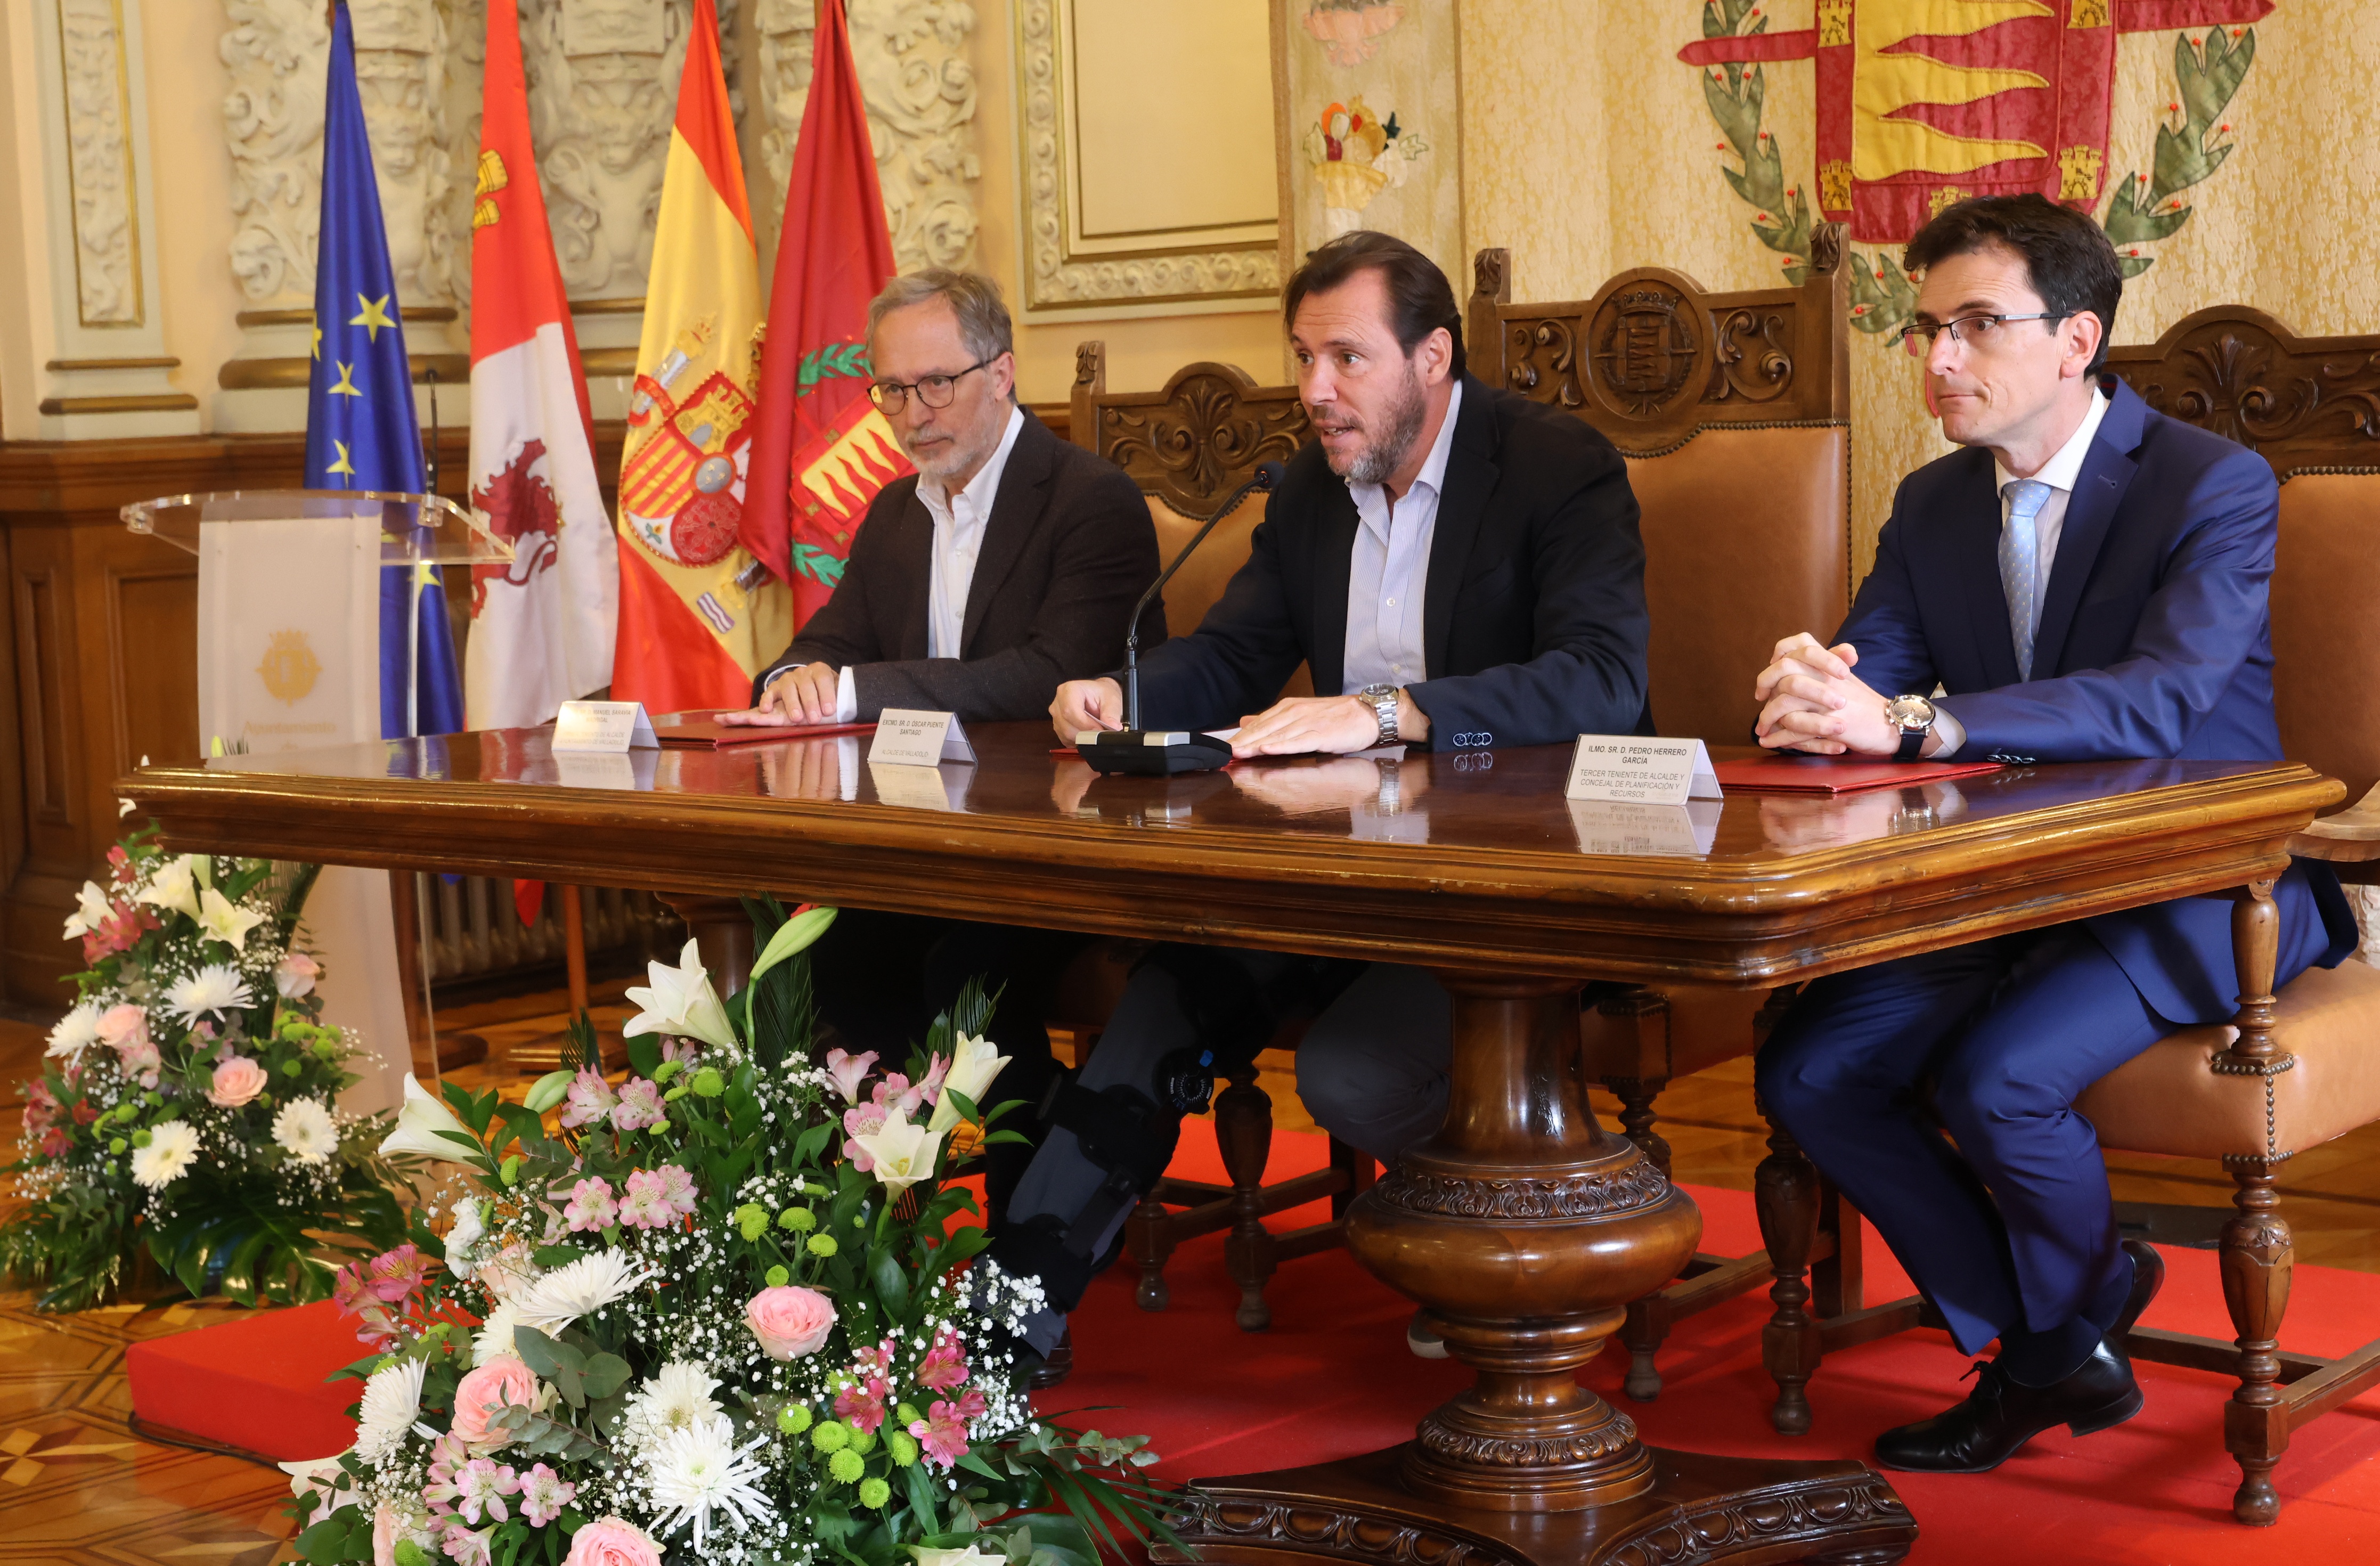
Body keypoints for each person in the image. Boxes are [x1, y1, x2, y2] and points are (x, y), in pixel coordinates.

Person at [1748, 193, 2358, 1474]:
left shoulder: (2210, 482)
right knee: (1807, 1074)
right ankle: (2059, 1330)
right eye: (1924, 328)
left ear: (2076, 339)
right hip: (1997, 883)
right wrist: (1815, 691)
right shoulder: (1930, 504)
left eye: (1975, 325)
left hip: (2195, 882)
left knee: (1998, 1080)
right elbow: (1877, 671)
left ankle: (2042, 1349)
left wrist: (1909, 723)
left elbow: (2159, 698)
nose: (1937, 358)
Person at [998, 229, 1652, 1376]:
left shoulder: (1557, 466)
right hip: (1334, 868)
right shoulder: (1309, 485)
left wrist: (1388, 713)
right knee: (1169, 995)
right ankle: (1016, 1307)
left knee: (1351, 1072)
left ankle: (1524, 1250)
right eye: (1303, 358)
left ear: (1432, 357)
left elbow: (1602, 679)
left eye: (1346, 358)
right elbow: (1233, 656)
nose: (1313, 390)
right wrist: (1120, 694)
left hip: (1514, 877)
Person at [723, 268, 1163, 1214]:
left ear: (1001, 373)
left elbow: (1045, 674)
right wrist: (792, 679)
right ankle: (859, 1229)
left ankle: (1028, 1237)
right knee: (807, 963)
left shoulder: (1091, 500)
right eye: (891, 389)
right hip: (926, 845)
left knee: (964, 974)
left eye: (936, 383)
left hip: (1066, 845)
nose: (912, 413)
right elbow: (830, 641)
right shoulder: (896, 511)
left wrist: (849, 690)